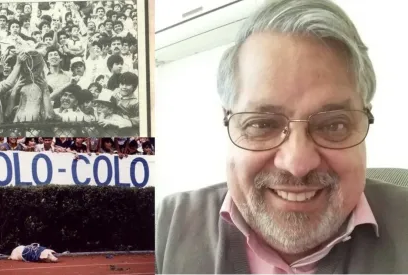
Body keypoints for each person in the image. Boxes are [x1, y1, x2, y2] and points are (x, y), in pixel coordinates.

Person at [156, 0, 408, 274]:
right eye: (262, 124)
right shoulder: (159, 230)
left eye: (334, 125)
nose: (297, 163)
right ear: (227, 121)